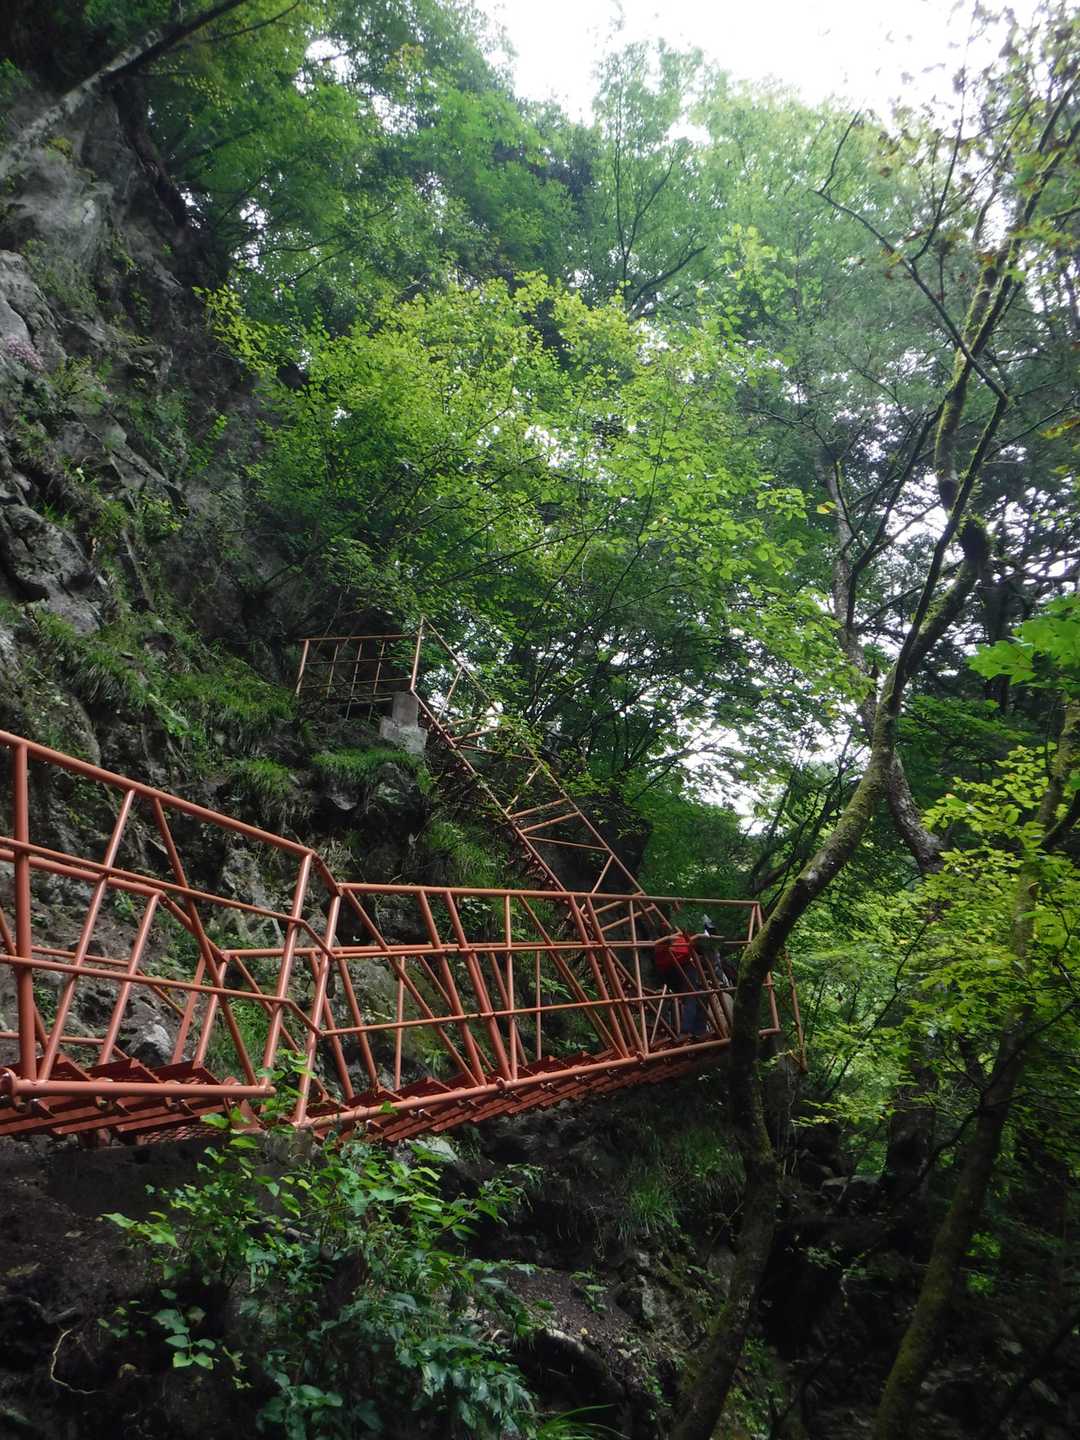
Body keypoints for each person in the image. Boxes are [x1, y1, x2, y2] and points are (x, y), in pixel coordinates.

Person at [654, 927, 707, 1037]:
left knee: (698, 997)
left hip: (673, 970)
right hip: (679, 969)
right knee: (692, 997)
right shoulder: (675, 940)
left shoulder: (677, 939)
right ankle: (688, 1031)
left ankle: (698, 1031)